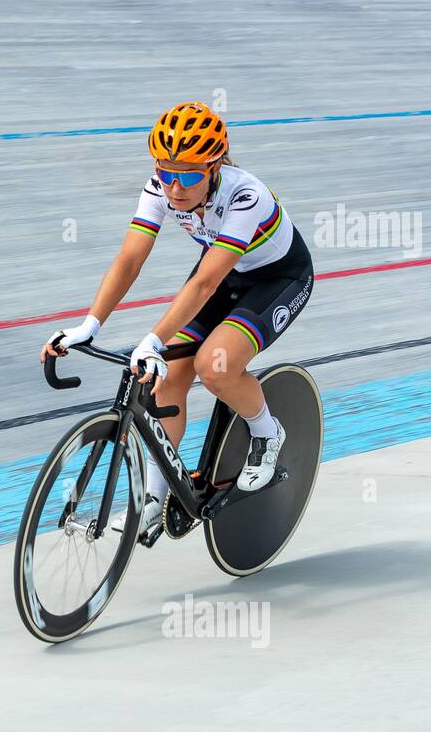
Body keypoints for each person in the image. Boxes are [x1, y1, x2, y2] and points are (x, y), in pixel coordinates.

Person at [41, 101, 314, 535]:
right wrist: (88, 325)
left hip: (276, 278)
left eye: (187, 174)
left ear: (215, 166)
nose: (174, 187)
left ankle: (267, 433)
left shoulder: (245, 194)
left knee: (215, 366)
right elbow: (131, 258)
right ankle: (154, 497)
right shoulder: (159, 187)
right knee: (167, 379)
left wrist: (153, 340)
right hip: (225, 276)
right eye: (166, 172)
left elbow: (205, 283)